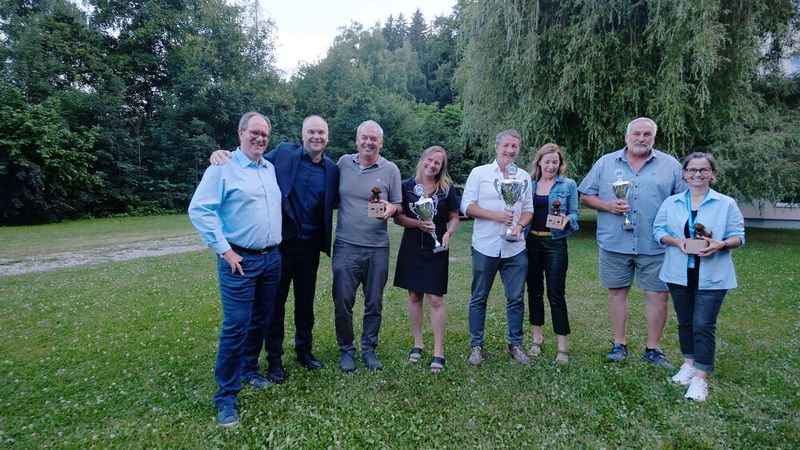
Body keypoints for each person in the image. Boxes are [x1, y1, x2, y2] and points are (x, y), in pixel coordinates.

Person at [209, 116, 339, 384]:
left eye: (321, 132)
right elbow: (249, 158)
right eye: (311, 132)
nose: (317, 136)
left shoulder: (333, 169)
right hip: (280, 248)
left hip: (310, 248)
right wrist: (221, 154)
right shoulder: (283, 154)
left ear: (328, 137)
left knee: (305, 303)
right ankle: (274, 360)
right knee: (274, 306)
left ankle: (304, 351)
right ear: (302, 135)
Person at [188, 112, 282, 428]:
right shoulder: (223, 167)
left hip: (271, 258)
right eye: (254, 132)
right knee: (236, 324)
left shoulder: (269, 168)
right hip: (239, 260)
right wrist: (224, 249)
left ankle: (249, 369)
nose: (260, 138)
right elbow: (200, 209)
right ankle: (226, 396)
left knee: (260, 320)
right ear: (241, 133)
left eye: (264, 134)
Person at [578, 117, 685, 370]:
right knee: (616, 293)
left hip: (656, 243)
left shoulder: (670, 165)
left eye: (647, 134)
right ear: (627, 136)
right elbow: (585, 196)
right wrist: (606, 205)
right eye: (636, 133)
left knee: (658, 295)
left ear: (654, 138)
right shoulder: (606, 162)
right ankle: (619, 344)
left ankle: (653, 349)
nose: (641, 138)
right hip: (615, 241)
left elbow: (683, 201)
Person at [653, 152, 744, 401]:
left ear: (712, 174)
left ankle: (700, 378)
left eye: (704, 170)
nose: (697, 174)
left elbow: (739, 236)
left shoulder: (726, 203)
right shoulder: (671, 203)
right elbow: (658, 230)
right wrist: (676, 241)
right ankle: (688, 364)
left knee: (703, 324)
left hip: (713, 274)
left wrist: (721, 244)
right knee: (685, 321)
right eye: (692, 170)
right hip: (678, 272)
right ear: (684, 174)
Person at [332, 120, 402, 372]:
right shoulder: (342, 164)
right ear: (357, 139)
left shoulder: (391, 169)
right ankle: (347, 350)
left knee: (374, 302)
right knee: (342, 301)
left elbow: (399, 205)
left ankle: (369, 349)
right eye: (364, 137)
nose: (368, 142)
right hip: (345, 246)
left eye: (374, 139)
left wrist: (393, 208)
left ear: (381, 142)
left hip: (377, 247)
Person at [461, 129, 534, 366]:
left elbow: (528, 209)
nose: (510, 150)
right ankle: (476, 346)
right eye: (506, 146)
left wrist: (520, 226)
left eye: (515, 146)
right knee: (479, 297)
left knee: (516, 298)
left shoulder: (523, 176)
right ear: (497, 147)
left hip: (515, 248)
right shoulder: (479, 173)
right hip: (485, 245)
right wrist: (495, 216)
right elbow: (467, 206)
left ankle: (515, 345)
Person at [393, 146, 460, 372]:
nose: (432, 165)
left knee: (435, 298)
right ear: (423, 160)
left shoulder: (446, 189)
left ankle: (438, 351)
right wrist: (418, 224)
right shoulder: (406, 186)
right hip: (412, 245)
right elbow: (398, 217)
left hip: (437, 247)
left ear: (442, 167)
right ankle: (418, 344)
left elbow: (454, 217)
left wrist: (448, 233)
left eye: (437, 163)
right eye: (430, 160)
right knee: (414, 295)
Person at [525, 143, 579, 364]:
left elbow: (575, 212)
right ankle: (536, 339)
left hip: (555, 243)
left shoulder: (568, 185)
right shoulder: (529, 184)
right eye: (547, 161)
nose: (551, 166)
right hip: (531, 242)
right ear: (539, 162)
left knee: (556, 294)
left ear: (560, 163)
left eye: (555, 162)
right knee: (534, 292)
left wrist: (568, 219)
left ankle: (562, 346)